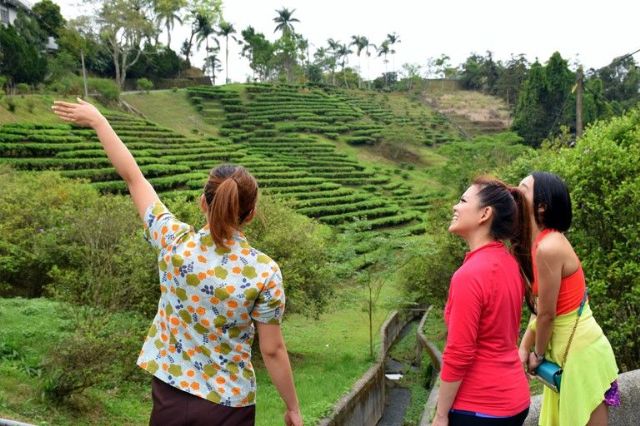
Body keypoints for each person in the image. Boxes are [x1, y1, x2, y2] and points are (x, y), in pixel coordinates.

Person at [52, 98, 303, 426]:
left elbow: (134, 178)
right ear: (251, 214)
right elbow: (272, 351)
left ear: (203, 203)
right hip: (228, 406)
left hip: (169, 395)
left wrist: (100, 121)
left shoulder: (173, 241)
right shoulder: (264, 272)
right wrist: (292, 409)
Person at [518, 172, 619, 426]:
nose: (515, 193)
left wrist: (537, 355)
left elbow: (547, 314)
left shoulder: (549, 247)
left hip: (582, 353)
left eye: (523, 188)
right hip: (569, 353)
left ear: (541, 206)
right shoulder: (540, 244)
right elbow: (540, 307)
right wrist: (523, 347)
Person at [434, 177, 531, 426]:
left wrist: (441, 413)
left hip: (479, 406)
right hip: (515, 400)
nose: (455, 207)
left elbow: (459, 352)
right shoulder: (511, 264)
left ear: (485, 214)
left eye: (463, 200)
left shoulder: (468, 275)